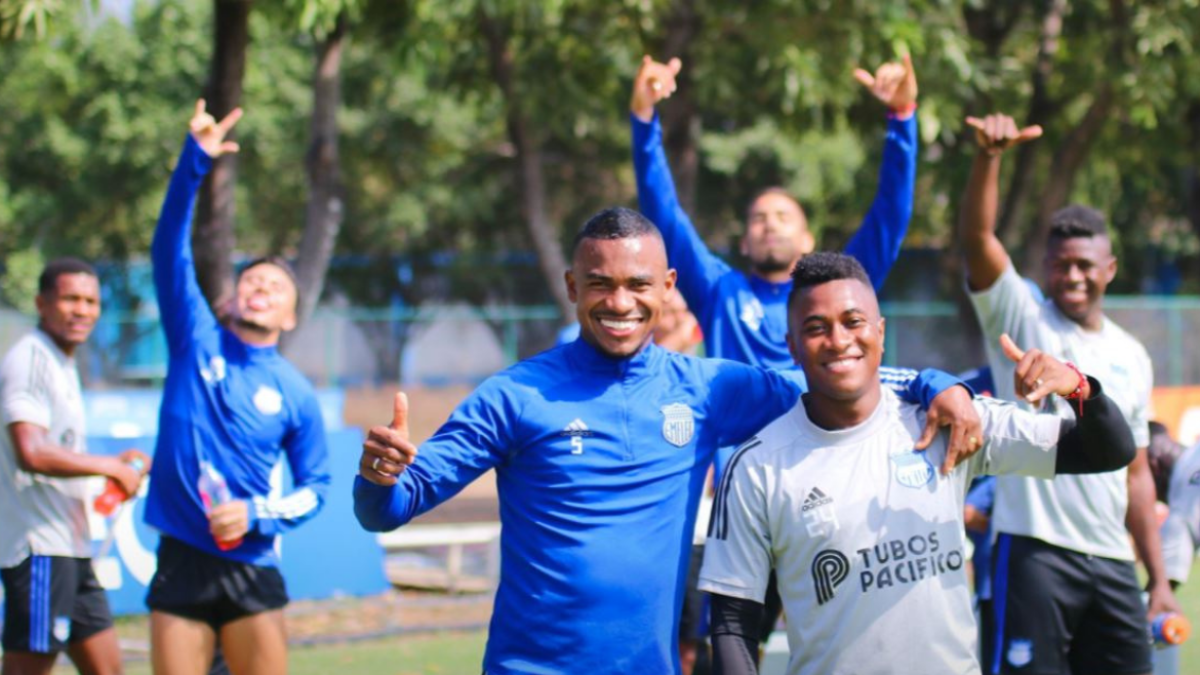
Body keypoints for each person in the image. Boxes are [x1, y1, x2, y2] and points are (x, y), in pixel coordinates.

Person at [354, 207, 978, 675]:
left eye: (638, 284)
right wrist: (378, 479)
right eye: (600, 284)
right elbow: (387, 510)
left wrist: (936, 381)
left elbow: (835, 374)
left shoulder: (707, 388)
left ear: (668, 285)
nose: (619, 302)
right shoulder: (514, 395)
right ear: (573, 287)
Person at [699, 252, 1137, 675]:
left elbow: (1109, 451)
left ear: (880, 331)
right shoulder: (757, 467)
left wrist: (1078, 388)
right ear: (791, 346)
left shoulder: (950, 422)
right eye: (816, 328)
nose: (838, 340)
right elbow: (732, 626)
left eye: (854, 322)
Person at [959, 112, 1178, 675]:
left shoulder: (1132, 354)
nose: (1072, 277)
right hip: (1034, 551)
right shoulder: (1021, 315)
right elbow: (977, 238)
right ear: (1045, 269)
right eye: (1060, 266)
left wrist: (1157, 579)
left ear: (1110, 268)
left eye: (1085, 265)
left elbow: (1136, 474)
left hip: (1110, 559)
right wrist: (989, 157)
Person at [143, 101, 332, 675]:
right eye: (252, 279)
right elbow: (168, 248)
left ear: (291, 316)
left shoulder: (297, 393)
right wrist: (194, 160)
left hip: (251, 565)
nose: (260, 287)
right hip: (181, 557)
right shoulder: (194, 337)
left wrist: (257, 512)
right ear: (234, 295)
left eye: (275, 286)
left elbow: (316, 487)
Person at [629, 53, 918, 372]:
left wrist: (902, 118)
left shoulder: (839, 288)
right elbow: (665, 214)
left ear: (807, 240)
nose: (770, 225)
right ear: (743, 243)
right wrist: (644, 119)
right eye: (758, 219)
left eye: (784, 217)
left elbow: (890, 216)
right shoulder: (719, 291)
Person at [0, 259, 147, 675]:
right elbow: (32, 450)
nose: (81, 310)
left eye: (90, 301)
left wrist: (117, 466)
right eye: (69, 299)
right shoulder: (31, 359)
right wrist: (108, 467)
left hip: (71, 549)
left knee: (109, 670)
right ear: (41, 303)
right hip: (39, 549)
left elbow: (57, 447)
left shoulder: (61, 361)